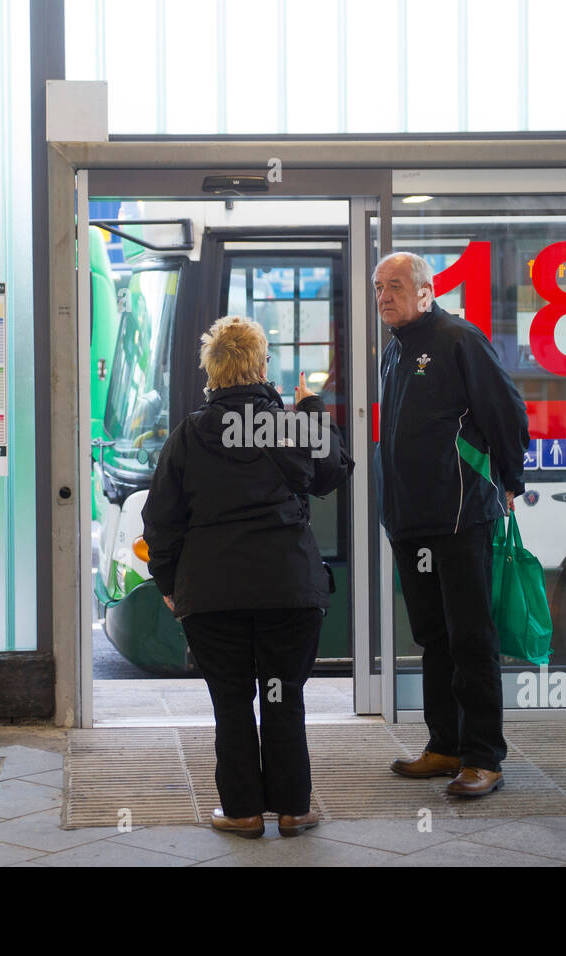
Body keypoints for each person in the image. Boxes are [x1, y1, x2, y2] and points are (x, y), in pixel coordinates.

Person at [141, 316, 354, 837]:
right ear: (262, 367)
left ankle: (240, 812)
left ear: (211, 373)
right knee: (283, 694)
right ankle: (292, 809)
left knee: (232, 701)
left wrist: (170, 583)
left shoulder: (189, 434)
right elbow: (335, 470)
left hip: (213, 595)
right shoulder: (289, 424)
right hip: (288, 589)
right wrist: (310, 409)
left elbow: (160, 521)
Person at [374, 251, 530, 797]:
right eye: (378, 288)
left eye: (394, 286)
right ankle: (444, 745)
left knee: (470, 635)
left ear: (426, 290)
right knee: (432, 637)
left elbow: (507, 410)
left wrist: (511, 478)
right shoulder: (394, 353)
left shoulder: (460, 339)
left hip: (460, 516)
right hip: (410, 519)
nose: (384, 296)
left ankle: (484, 756)